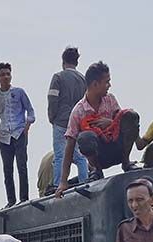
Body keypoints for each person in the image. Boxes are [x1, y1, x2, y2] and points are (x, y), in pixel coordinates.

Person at [55, 61, 139, 197]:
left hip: (117, 148)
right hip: (100, 156)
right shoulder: (79, 111)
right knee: (85, 137)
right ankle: (96, 171)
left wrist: (110, 122)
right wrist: (63, 182)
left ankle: (126, 163)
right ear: (95, 84)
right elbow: (70, 146)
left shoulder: (110, 100)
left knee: (130, 115)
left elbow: (123, 122)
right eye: (106, 82)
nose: (109, 86)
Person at [0, 62, 36, 207]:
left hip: (19, 132)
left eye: (8, 74)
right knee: (7, 170)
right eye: (2, 74)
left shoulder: (19, 92)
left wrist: (27, 125)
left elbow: (30, 110)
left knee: (22, 166)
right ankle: (11, 200)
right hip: (4, 137)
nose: (6, 77)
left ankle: (24, 198)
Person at [47, 45, 88, 190]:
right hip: (78, 122)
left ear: (63, 61)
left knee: (60, 155)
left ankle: (58, 184)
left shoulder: (58, 77)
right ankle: (85, 181)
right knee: (79, 155)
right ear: (76, 62)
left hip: (61, 120)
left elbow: (52, 99)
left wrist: (52, 117)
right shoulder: (83, 80)